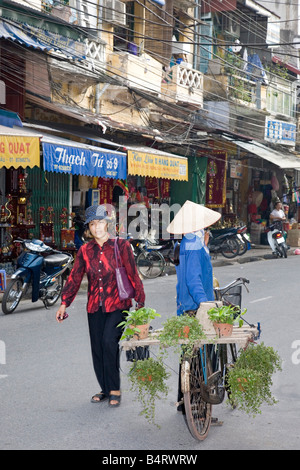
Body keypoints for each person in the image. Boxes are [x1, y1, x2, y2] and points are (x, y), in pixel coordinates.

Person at [56, 205, 145, 407]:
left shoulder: (121, 246)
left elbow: (132, 274)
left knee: (108, 342)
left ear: (108, 224)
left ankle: (114, 388)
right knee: (97, 348)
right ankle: (105, 389)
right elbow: (75, 278)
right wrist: (64, 303)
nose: (97, 228)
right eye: (93, 224)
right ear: (89, 228)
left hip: (118, 305)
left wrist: (140, 302)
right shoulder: (85, 251)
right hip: (95, 306)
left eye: (101, 223)